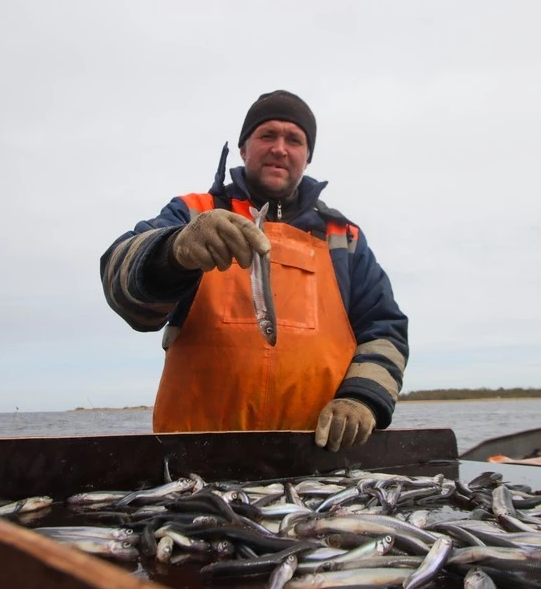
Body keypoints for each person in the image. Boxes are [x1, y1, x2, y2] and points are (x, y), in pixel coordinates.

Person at [100, 90, 408, 452]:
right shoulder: (193, 212)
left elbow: (385, 330)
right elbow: (118, 282)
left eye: (294, 139)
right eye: (267, 135)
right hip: (192, 459)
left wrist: (364, 398)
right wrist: (173, 250)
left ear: (307, 158)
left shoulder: (344, 237)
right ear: (244, 149)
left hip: (316, 459)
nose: (280, 148)